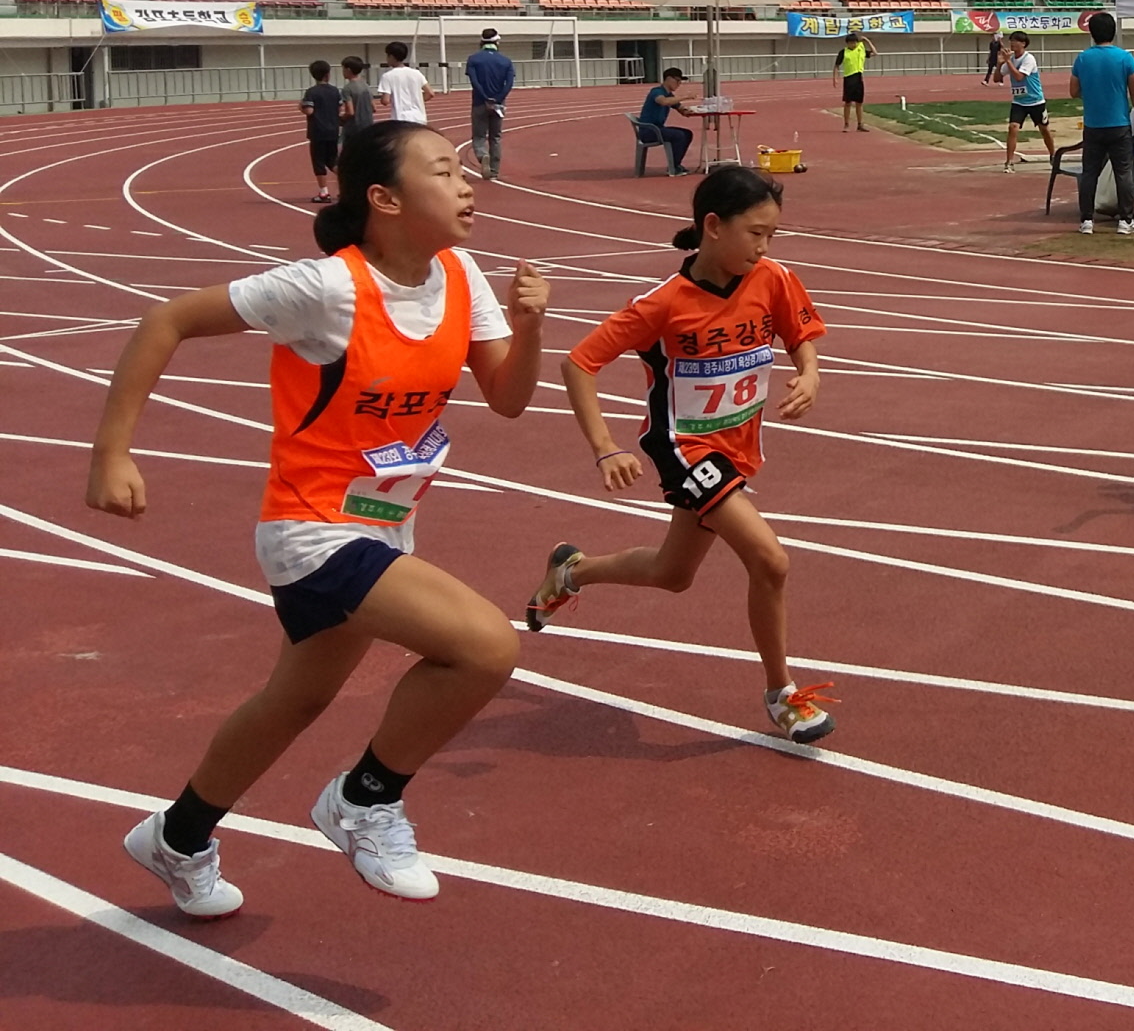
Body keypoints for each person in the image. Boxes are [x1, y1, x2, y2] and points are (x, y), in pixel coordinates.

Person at [91, 122, 548, 915]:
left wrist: (531, 324)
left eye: (464, 169)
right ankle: (367, 799)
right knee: (484, 647)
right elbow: (165, 319)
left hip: (384, 522)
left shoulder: (462, 275)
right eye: (444, 170)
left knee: (294, 702)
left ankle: (179, 836)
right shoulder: (325, 288)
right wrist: (112, 455)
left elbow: (508, 400)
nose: (467, 183)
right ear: (385, 199)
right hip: (310, 528)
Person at [524, 167, 836, 746]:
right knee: (771, 561)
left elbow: (801, 336)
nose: (764, 247)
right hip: (684, 449)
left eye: (773, 235)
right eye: (756, 233)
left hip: (740, 446)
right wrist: (604, 448)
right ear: (712, 226)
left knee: (673, 574)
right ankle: (782, 694)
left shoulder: (772, 279)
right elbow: (578, 363)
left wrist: (810, 373)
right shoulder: (662, 305)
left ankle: (573, 570)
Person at [1069, 10, 1134, 236]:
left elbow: (1073, 91)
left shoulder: (1082, 58)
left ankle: (1086, 220)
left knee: (1090, 172)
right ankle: (1126, 220)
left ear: (1091, 33)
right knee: (1123, 172)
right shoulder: (1125, 58)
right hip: (1119, 123)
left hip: (1093, 124)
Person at [999, 29, 1055, 169]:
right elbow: (996, 78)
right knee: (1013, 127)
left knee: (1044, 129)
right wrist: (1000, 63)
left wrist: (1007, 62)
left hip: (1036, 100)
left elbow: (1019, 76)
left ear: (1023, 44)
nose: (1012, 43)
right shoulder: (1010, 60)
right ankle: (1009, 161)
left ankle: (1053, 155)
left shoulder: (1028, 59)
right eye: (1011, 40)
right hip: (1019, 101)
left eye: (1015, 41)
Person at [464, 29, 515, 182]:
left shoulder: (473, 59)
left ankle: (482, 155)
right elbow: (509, 84)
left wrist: (486, 98)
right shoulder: (505, 61)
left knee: (479, 136)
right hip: (498, 105)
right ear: (497, 42)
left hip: (479, 102)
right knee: (496, 137)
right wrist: (497, 99)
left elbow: (474, 82)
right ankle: (494, 170)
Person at [638, 67, 698, 176]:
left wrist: (690, 111)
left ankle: (675, 164)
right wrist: (686, 97)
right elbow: (663, 101)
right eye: (677, 80)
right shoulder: (656, 91)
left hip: (658, 129)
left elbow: (681, 109)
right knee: (678, 135)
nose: (679, 84)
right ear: (668, 79)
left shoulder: (670, 96)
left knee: (687, 134)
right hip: (649, 130)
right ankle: (673, 166)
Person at [299, 60, 343, 204]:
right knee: (332, 160)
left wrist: (301, 107)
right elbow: (339, 109)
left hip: (318, 131)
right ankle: (347, 183)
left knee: (318, 162)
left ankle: (324, 192)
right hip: (333, 130)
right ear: (328, 74)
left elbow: (309, 110)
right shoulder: (335, 90)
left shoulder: (312, 92)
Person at [376, 41, 427, 127]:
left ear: (391, 56)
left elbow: (385, 101)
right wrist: (417, 100)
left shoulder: (387, 76)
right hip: (419, 117)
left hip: (400, 118)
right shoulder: (416, 73)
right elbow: (430, 93)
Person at [835, 29, 877, 132]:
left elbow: (875, 53)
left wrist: (867, 41)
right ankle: (846, 124)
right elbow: (836, 66)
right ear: (847, 43)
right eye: (850, 43)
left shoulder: (861, 49)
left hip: (858, 78)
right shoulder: (843, 52)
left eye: (854, 42)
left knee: (859, 103)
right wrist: (835, 78)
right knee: (848, 103)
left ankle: (860, 124)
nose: (852, 44)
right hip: (848, 78)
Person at [337, 55, 375, 156]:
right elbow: (373, 107)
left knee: (350, 154)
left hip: (354, 127)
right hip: (368, 124)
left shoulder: (347, 88)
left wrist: (341, 119)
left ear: (348, 70)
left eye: (343, 69)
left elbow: (350, 111)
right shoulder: (366, 85)